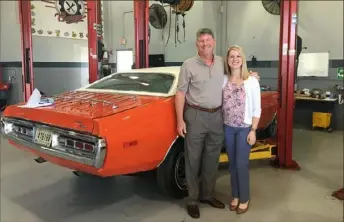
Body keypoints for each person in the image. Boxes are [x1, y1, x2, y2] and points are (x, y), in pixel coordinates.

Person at [175, 28, 259, 219]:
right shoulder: (188, 65)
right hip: (195, 116)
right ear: (197, 44)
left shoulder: (222, 61)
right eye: (201, 41)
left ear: (213, 41)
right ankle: (193, 200)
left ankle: (207, 195)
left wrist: (252, 74)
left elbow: (237, 72)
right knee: (192, 159)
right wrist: (180, 120)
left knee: (212, 159)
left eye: (208, 41)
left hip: (217, 118)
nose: (205, 44)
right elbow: (180, 93)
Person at [222, 45, 261, 214]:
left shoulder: (251, 81)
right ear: (227, 60)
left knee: (241, 164)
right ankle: (235, 196)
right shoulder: (223, 79)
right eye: (232, 56)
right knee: (232, 164)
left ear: (242, 60)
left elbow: (256, 109)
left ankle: (244, 198)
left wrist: (253, 130)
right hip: (228, 128)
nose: (235, 59)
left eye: (238, 56)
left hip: (245, 129)